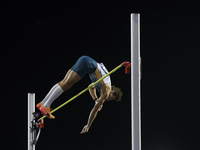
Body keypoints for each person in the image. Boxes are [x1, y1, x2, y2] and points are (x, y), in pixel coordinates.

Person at [36, 56, 123, 134]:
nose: (108, 99)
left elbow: (90, 87)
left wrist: (96, 99)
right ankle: (46, 105)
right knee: (66, 85)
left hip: (86, 60)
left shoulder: (104, 84)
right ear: (112, 92)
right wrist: (88, 125)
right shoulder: (107, 90)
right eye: (111, 98)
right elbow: (95, 110)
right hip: (88, 64)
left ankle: (43, 103)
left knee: (64, 82)